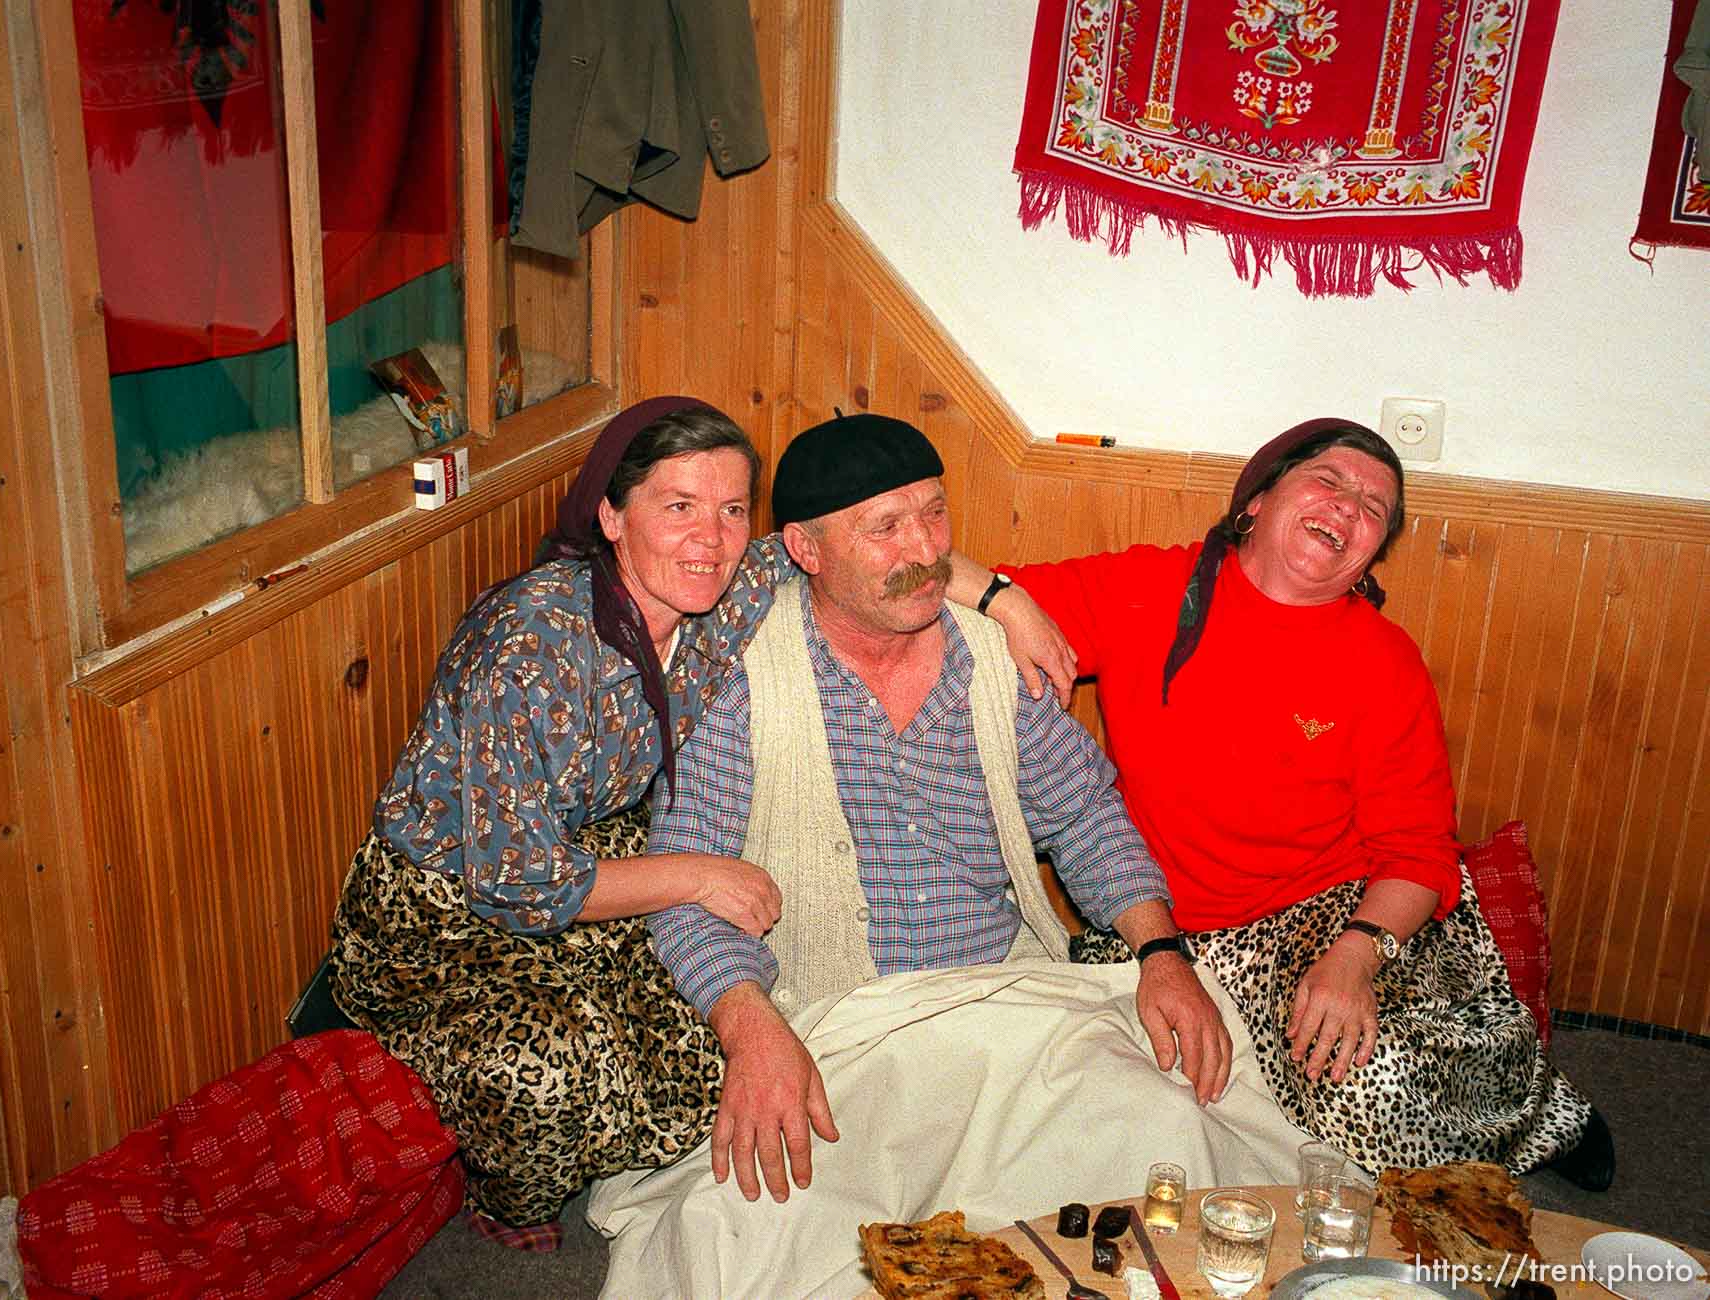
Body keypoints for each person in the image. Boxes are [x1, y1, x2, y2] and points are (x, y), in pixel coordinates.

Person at [323, 397, 1066, 1245]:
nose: (709, 539)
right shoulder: (528, 643)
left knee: (717, 1048)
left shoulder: (726, 587)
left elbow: (888, 554)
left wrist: (1008, 601)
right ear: (611, 514)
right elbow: (515, 880)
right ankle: (503, 1207)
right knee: (550, 1075)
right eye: (678, 507)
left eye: (732, 510)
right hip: (449, 909)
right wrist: (700, 873)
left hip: (595, 859)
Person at [963, 416, 1610, 1189]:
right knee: (1105, 1110)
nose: (1349, 508)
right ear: (1257, 502)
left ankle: (1541, 1118)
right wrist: (1006, 600)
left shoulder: (1383, 661)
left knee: (1366, 1085)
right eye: (1330, 482)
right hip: (1162, 922)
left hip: (1336, 913)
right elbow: (929, 576)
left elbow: (1418, 851)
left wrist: (1353, 959)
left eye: (1373, 509)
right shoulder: (1150, 588)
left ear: (1372, 552)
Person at [645, 413, 1231, 1205]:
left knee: (1165, 1143)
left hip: (1006, 999)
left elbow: (1086, 818)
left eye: (934, 514)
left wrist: (1163, 956)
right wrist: (752, 1031)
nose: (924, 552)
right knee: (789, 1231)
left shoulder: (991, 653)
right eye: (885, 527)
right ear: (805, 551)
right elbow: (685, 889)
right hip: (838, 1022)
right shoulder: (742, 673)